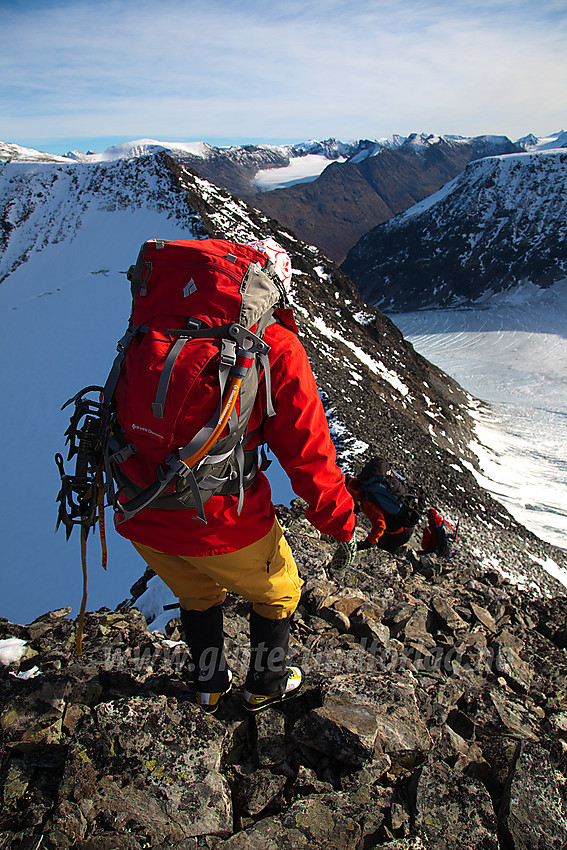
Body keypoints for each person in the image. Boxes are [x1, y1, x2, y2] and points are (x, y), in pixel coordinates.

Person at [115, 238, 357, 713]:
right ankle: (267, 682)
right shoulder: (276, 347)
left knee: (196, 590)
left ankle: (208, 684)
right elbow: (308, 452)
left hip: (138, 507)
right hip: (221, 519)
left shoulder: (155, 329)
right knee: (281, 587)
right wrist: (340, 522)